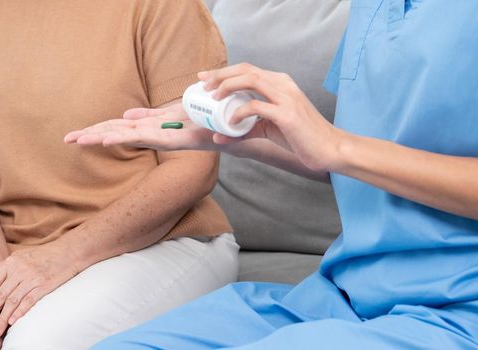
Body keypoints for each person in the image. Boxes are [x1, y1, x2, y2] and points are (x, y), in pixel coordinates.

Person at [66, 0, 478, 348]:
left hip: (458, 311)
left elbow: (341, 150)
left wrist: (336, 146)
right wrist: (234, 137)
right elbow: (356, 163)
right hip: (340, 295)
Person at [0, 0, 239, 349]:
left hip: (159, 240)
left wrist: (62, 257)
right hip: (11, 245)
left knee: (37, 341)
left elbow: (193, 166)